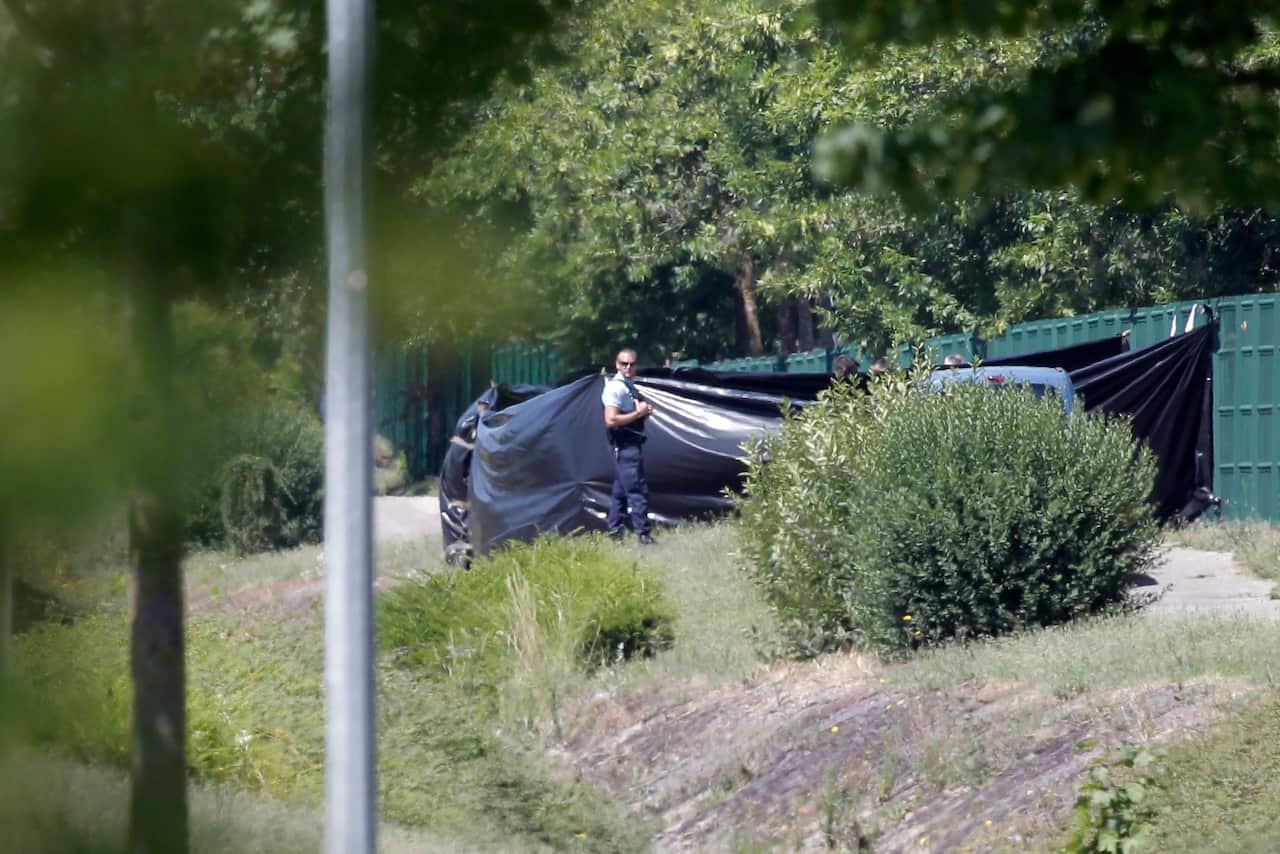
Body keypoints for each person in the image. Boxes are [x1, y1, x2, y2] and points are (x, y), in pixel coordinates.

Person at [602, 348, 656, 544]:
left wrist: (643, 410)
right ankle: (643, 534)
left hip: (630, 444)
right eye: (624, 364)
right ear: (617, 364)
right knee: (637, 490)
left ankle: (614, 530)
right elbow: (611, 419)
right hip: (626, 446)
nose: (628, 367)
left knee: (620, 492)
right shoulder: (616, 388)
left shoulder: (627, 385)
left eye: (631, 364)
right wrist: (638, 414)